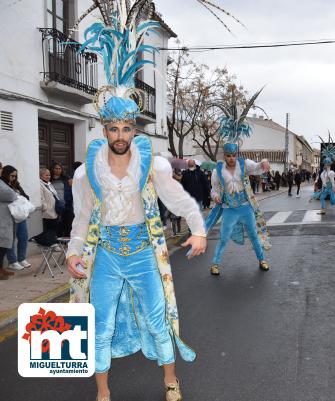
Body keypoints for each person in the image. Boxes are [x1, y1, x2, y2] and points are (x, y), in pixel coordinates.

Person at [64, 6, 210, 401]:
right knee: (101, 325)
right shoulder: (86, 172)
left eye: (127, 128)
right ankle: (103, 392)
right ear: (104, 129)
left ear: (134, 129)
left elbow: (181, 200)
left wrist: (198, 229)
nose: (120, 135)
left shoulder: (152, 164)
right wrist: (74, 252)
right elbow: (81, 220)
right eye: (113, 128)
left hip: (144, 251)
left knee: (158, 320)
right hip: (107, 253)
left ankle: (170, 380)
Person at [205, 89, 271, 277]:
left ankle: (262, 260)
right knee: (223, 238)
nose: (232, 158)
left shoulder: (244, 164)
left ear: (237, 154)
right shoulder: (218, 170)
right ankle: (215, 264)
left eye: (234, 155)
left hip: (245, 207)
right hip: (229, 209)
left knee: (253, 235)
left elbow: (258, 168)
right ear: (224, 155)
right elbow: (214, 189)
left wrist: (264, 163)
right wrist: (216, 196)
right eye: (229, 156)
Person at [1, 166, 31, 270]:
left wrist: (21, 198)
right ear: (6, 174)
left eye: (15, 176)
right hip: (9, 216)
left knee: (23, 237)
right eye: (11, 176)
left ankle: (22, 258)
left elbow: (25, 196)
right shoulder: (2, 184)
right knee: (11, 239)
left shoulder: (16, 184)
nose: (13, 178)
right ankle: (12, 261)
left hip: (20, 215)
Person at [312, 145, 335, 215]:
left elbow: (332, 181)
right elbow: (323, 181)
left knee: (334, 199)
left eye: (326, 164)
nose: (325, 165)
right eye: (324, 164)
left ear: (329, 165)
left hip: (330, 187)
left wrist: (334, 188)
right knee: (322, 198)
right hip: (325, 188)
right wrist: (322, 187)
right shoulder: (323, 173)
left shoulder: (331, 172)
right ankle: (323, 210)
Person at [0, 175, 17, 280]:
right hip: (2, 217)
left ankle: (1, 268)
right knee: (1, 246)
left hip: (5, 216)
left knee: (4, 246)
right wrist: (15, 195)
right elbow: (10, 195)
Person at [50, 161, 73, 237]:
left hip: (67, 206)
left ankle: (67, 245)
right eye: (56, 168)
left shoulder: (66, 179)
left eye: (59, 168)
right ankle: (58, 245)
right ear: (52, 169)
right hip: (54, 207)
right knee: (57, 228)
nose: (58, 170)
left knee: (68, 226)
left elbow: (72, 190)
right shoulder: (49, 179)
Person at [39, 168, 60, 234]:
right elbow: (41, 197)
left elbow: (55, 195)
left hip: (54, 211)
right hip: (47, 212)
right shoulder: (40, 184)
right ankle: (49, 243)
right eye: (46, 175)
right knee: (49, 230)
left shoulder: (49, 184)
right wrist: (45, 207)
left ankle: (53, 242)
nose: (48, 177)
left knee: (54, 229)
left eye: (49, 175)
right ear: (41, 176)